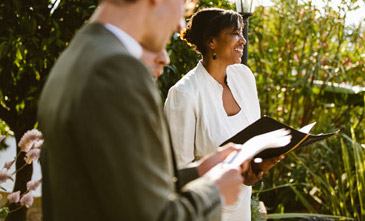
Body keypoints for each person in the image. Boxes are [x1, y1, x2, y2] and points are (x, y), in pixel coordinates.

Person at [37, 0, 250, 220]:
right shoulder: (116, 69)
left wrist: (198, 172)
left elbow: (119, 184)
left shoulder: (79, 54)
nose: (180, 25)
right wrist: (215, 192)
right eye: (182, 5)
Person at [164, 8, 284, 221]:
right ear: (212, 42)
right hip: (206, 212)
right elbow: (177, 174)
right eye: (235, 33)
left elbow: (252, 140)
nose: (243, 40)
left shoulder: (244, 77)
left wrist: (258, 166)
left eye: (242, 32)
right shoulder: (184, 94)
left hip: (241, 209)